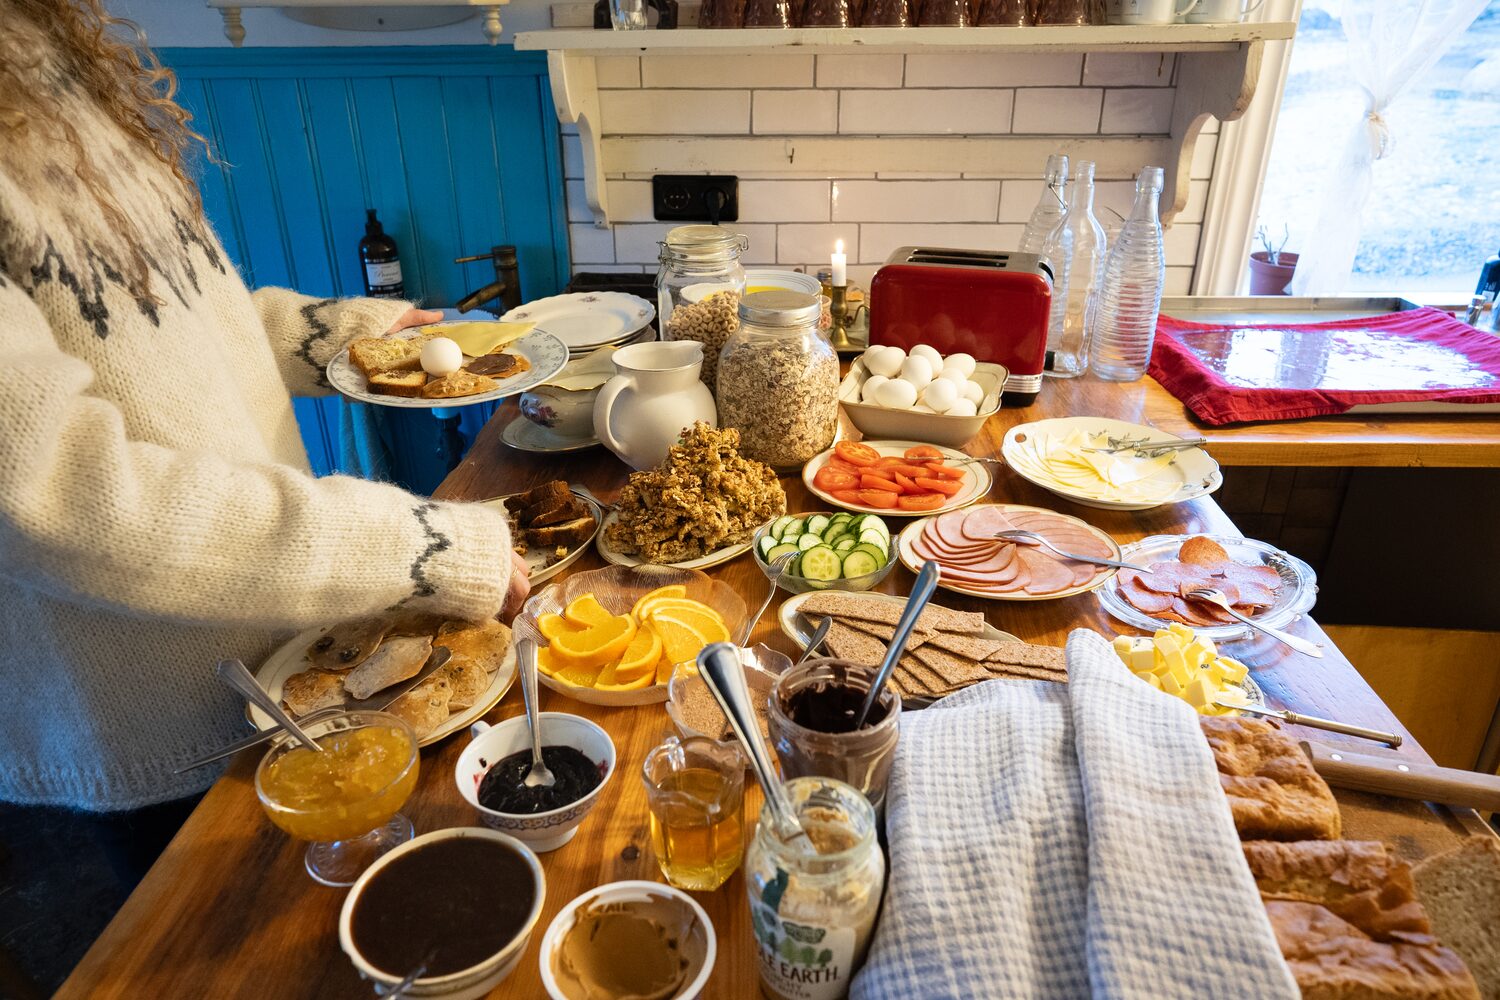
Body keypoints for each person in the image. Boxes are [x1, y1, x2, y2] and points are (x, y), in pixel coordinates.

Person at [0, 0, 530, 874]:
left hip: (274, 664)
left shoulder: (53, 57)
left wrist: (361, 341)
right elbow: (53, 493)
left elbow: (188, 329)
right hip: (149, 739)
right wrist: (419, 543)